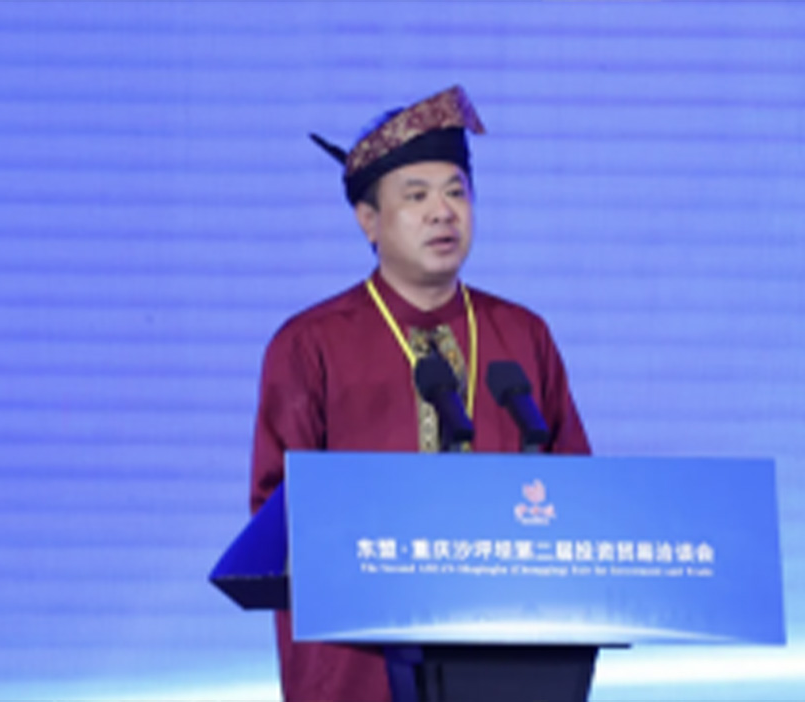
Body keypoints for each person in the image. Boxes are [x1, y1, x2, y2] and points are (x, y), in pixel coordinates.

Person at [249, 85, 590, 702]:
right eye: (416, 196)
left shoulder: (522, 335)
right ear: (368, 220)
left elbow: (579, 494)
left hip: (508, 663)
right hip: (357, 672)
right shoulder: (310, 345)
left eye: (456, 191)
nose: (442, 212)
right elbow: (277, 519)